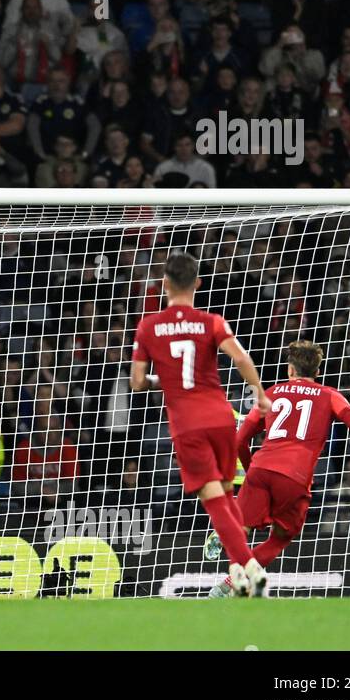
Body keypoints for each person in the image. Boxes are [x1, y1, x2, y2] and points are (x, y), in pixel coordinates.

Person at [206, 341, 350, 597]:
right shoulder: (330, 395)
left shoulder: (272, 393)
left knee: (243, 526)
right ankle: (229, 585)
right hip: (295, 478)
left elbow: (239, 441)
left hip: (262, 469)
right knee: (280, 537)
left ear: (290, 370)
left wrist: (251, 467)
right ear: (318, 372)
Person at [130, 252, 272, 596]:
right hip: (222, 418)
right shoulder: (212, 322)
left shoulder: (149, 326)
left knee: (213, 500)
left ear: (163, 283)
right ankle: (237, 571)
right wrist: (260, 395)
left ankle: (249, 564)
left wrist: (162, 378)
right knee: (225, 494)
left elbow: (136, 382)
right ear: (198, 283)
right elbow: (240, 357)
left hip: (188, 424)